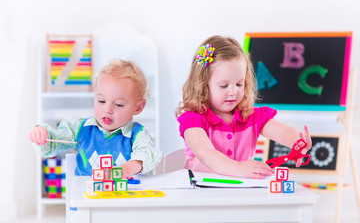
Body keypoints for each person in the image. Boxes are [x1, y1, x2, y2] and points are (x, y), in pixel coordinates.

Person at [176, 35, 312, 179]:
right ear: (203, 84)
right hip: (201, 196)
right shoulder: (193, 119)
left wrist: (298, 142)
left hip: (241, 194)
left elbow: (283, 132)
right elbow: (205, 153)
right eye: (224, 85)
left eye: (239, 84)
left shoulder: (250, 116)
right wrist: (238, 168)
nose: (234, 91)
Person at [30, 58, 162, 178]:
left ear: (138, 107)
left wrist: (129, 168)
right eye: (101, 101)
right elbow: (52, 145)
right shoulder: (78, 128)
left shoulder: (138, 134)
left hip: (124, 198)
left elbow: (147, 154)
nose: (108, 109)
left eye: (118, 104)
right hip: (86, 198)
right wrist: (41, 134)